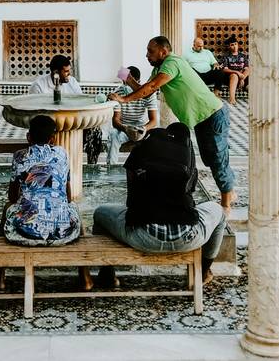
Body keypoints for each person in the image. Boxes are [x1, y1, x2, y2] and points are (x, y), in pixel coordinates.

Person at [107, 36, 236, 214]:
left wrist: (123, 99)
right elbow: (146, 90)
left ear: (163, 51)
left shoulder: (172, 62)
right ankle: (230, 190)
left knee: (217, 158)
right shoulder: (161, 67)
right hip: (202, 118)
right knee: (209, 159)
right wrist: (129, 80)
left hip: (213, 115)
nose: (147, 55)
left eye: (150, 51)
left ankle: (226, 204)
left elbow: (151, 87)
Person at [93, 123, 226, 288]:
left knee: (99, 214)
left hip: (142, 237)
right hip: (187, 238)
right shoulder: (187, 156)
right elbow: (190, 195)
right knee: (220, 212)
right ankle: (204, 272)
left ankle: (107, 276)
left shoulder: (141, 152)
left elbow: (130, 199)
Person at [0, 114, 91, 291]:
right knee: (73, 207)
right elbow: (68, 197)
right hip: (62, 232)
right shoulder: (61, 153)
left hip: (27, 232)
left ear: (28, 137)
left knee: (8, 207)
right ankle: (85, 276)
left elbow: (12, 197)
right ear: (53, 139)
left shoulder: (20, 156)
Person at [30, 55, 103, 164]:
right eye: (66, 71)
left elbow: (81, 102)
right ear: (55, 72)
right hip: (48, 125)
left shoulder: (72, 82)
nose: (69, 74)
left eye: (69, 71)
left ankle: (92, 166)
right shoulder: (39, 86)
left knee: (95, 130)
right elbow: (35, 112)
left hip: (71, 122)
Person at [107, 66, 159, 164]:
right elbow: (115, 121)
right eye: (124, 82)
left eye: (129, 82)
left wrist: (143, 129)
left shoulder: (149, 94)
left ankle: (147, 168)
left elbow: (154, 121)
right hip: (124, 129)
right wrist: (126, 129)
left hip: (142, 128)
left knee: (155, 137)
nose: (125, 85)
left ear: (138, 81)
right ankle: (111, 166)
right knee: (113, 135)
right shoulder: (118, 93)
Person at [218, 36, 249, 105]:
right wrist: (237, 72)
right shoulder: (226, 56)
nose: (234, 46)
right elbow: (225, 69)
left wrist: (242, 78)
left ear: (238, 45)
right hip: (230, 78)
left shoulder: (243, 56)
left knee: (250, 73)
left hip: (242, 77)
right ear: (229, 47)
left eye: (235, 44)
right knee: (234, 76)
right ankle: (232, 98)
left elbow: (247, 69)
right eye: (232, 45)